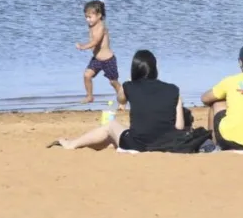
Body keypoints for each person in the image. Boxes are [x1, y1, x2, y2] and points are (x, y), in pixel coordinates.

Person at [50, 50, 185, 151]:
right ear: (155, 69)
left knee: (111, 125)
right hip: (167, 143)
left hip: (139, 144)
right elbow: (179, 126)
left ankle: (71, 144)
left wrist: (129, 82)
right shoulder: (174, 90)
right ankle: (100, 145)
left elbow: (121, 99)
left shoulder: (130, 86)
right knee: (112, 140)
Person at [77, 0, 126, 109]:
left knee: (113, 82)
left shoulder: (101, 27)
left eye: (90, 17)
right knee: (87, 75)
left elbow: (96, 42)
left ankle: (122, 99)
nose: (87, 20)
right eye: (86, 17)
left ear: (99, 16)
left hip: (108, 60)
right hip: (97, 59)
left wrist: (83, 46)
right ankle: (90, 96)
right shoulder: (91, 25)